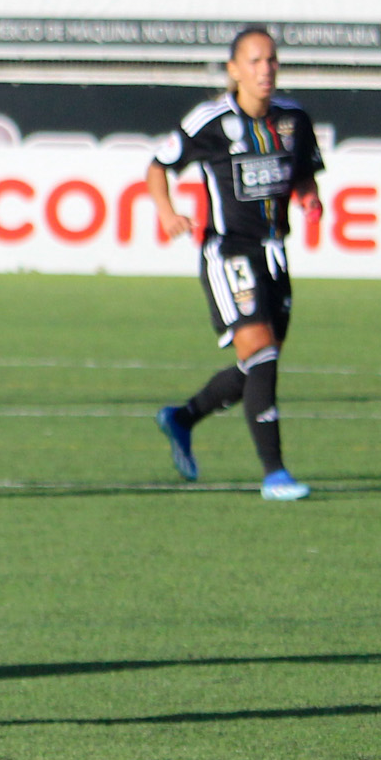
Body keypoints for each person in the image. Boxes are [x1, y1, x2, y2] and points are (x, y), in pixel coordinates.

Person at [150, 27, 322, 501]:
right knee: (262, 357)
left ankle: (182, 417)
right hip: (228, 252)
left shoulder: (294, 118)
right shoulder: (210, 120)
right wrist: (166, 212)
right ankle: (276, 474)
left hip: (274, 252)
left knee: (257, 366)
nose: (264, 69)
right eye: (254, 61)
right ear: (233, 70)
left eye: (271, 60)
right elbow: (158, 165)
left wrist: (310, 200)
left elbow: (303, 173)